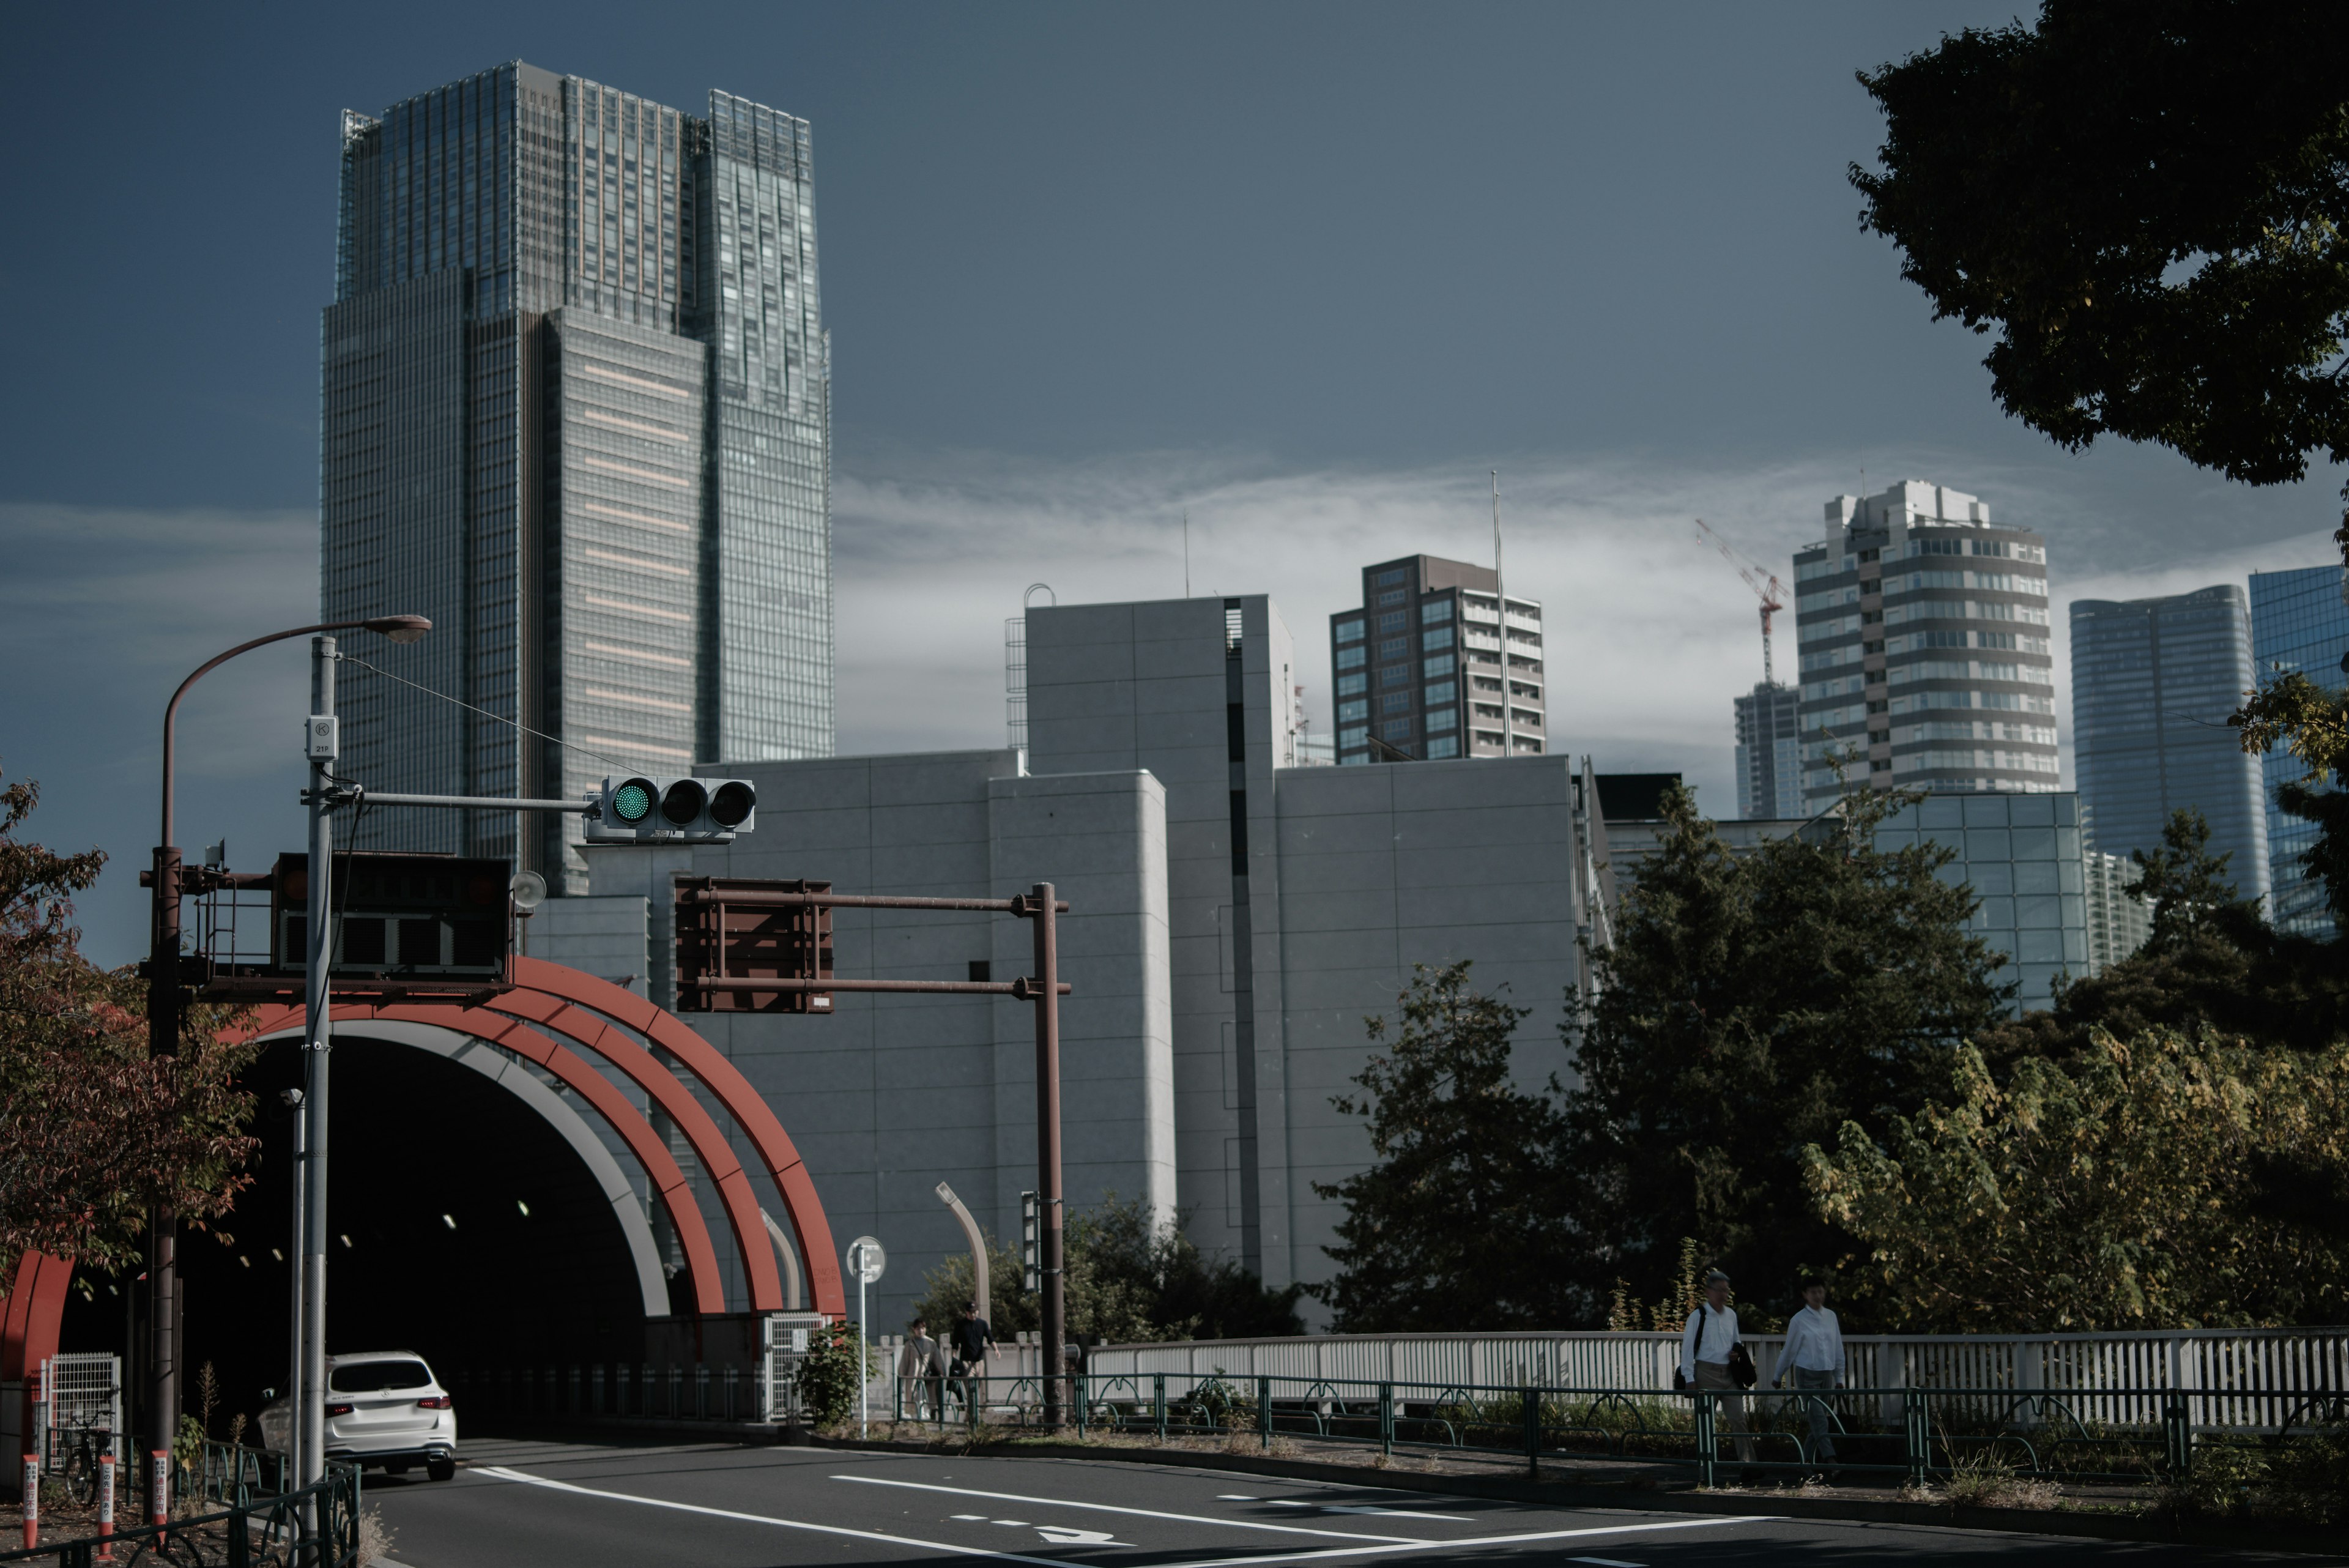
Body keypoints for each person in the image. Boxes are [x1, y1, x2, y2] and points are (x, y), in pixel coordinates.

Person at [1679, 1268, 1754, 1468]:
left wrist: (1736, 1353)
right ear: (1708, 1291)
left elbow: (1736, 1340)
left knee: (1739, 1419)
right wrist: (1689, 1378)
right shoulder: (1699, 1316)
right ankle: (1707, 1468)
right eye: (1719, 1290)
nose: (1723, 1294)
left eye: (1726, 1290)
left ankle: (1748, 1466)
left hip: (1729, 1373)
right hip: (1705, 1372)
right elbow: (1687, 1348)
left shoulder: (1731, 1315)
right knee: (1705, 1424)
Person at [1773, 1279, 1844, 1477]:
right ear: (1805, 1294)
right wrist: (1778, 1375)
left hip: (1827, 1372)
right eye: (1813, 1292)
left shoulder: (1831, 1316)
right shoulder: (1799, 1320)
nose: (1818, 1296)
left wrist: (1839, 1376)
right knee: (1819, 1419)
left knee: (1818, 1421)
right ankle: (1832, 1461)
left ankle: (1805, 1463)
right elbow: (1789, 1350)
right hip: (1807, 1373)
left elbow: (1837, 1346)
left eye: (1821, 1291)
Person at [950, 1301, 995, 1420]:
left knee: (977, 1388)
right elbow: (955, 1343)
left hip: (979, 1361)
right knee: (971, 1389)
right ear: (966, 1313)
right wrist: (954, 1357)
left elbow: (990, 1338)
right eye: (970, 1312)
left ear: (978, 1312)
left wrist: (996, 1350)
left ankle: (971, 1416)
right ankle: (974, 1416)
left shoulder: (983, 1324)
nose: (973, 1314)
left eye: (975, 1312)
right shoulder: (961, 1325)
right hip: (966, 1361)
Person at [897, 1318, 946, 1422]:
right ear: (914, 1330)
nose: (921, 1330)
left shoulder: (931, 1343)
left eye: (923, 1328)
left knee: (927, 1397)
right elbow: (904, 1362)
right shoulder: (910, 1344)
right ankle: (916, 1420)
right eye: (918, 1328)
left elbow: (937, 1359)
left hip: (927, 1376)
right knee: (914, 1397)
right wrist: (902, 1376)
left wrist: (943, 1372)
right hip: (913, 1376)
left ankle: (926, 1417)